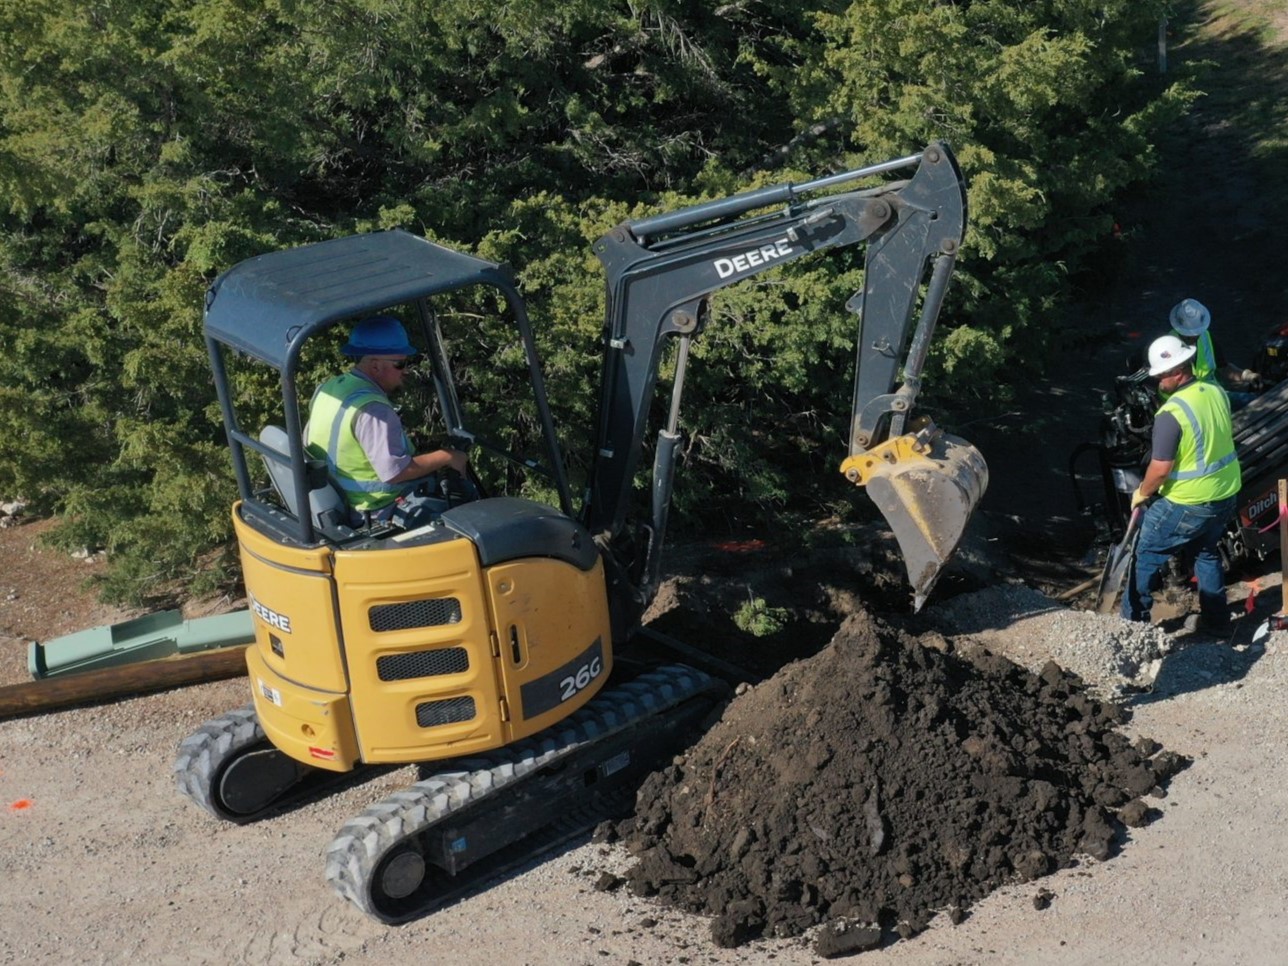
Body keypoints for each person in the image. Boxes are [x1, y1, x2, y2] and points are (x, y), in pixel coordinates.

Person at [1122, 334, 1242, 633]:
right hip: (1224, 495)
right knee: (1206, 552)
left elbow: (1160, 469)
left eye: (1160, 376)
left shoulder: (1171, 414)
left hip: (1188, 502)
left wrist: (1141, 492)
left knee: (1145, 554)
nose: (1157, 383)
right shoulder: (1215, 391)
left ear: (1177, 372)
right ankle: (1218, 624)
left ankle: (1131, 629)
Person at [306, 315, 467, 522]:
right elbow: (395, 472)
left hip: (340, 498)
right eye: (400, 364)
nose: (406, 370)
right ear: (375, 366)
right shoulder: (374, 410)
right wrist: (447, 456)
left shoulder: (329, 388)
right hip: (374, 508)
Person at [1169, 297, 1259, 410]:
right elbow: (1167, 388)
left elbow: (1223, 367)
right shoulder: (1168, 346)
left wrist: (1246, 375)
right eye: (1190, 334)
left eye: (1197, 332)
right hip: (1190, 406)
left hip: (1213, 396)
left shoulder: (1206, 337)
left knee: (1254, 401)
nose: (1195, 336)